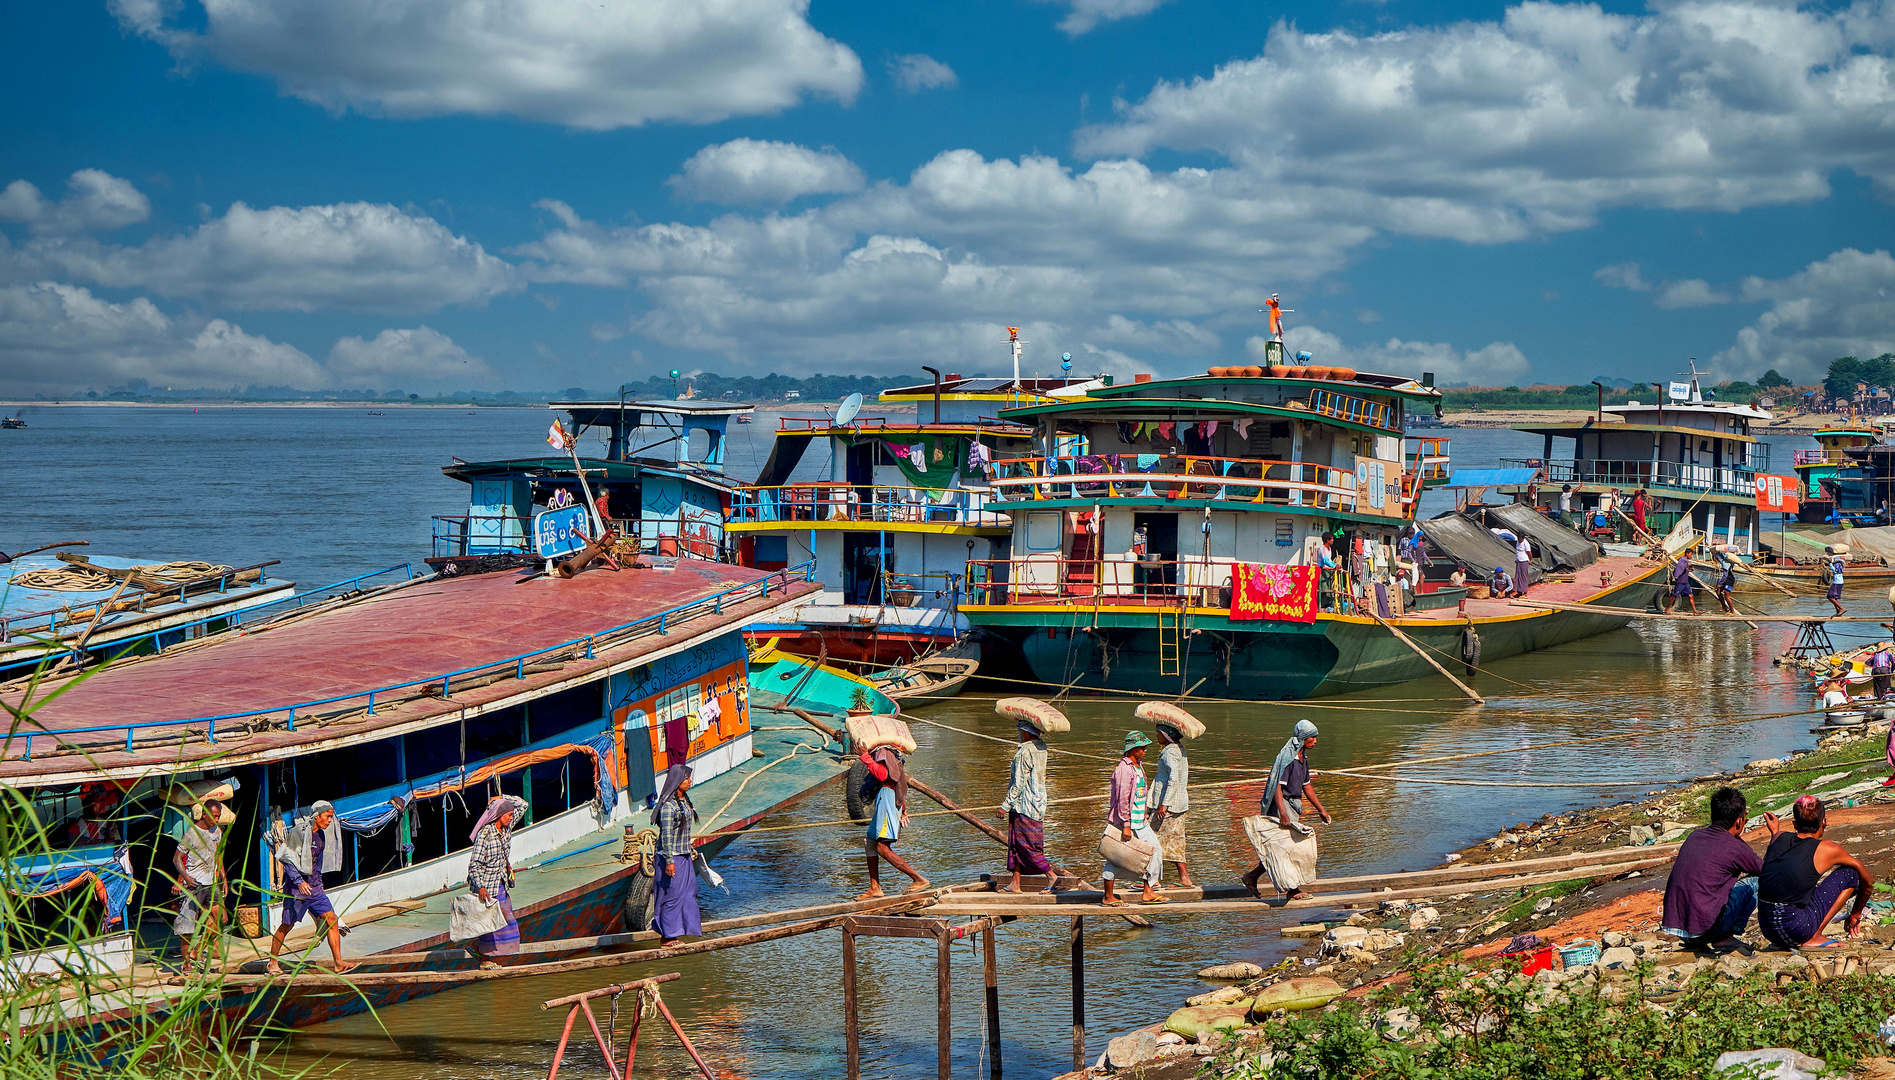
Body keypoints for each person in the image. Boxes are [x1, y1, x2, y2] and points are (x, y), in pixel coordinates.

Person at [1661, 787, 1776, 955]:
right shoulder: (1735, 847)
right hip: (1707, 930)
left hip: (1679, 929)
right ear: (1739, 821)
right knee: (1757, 881)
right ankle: (1726, 935)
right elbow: (1766, 870)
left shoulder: (1694, 835)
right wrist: (1774, 835)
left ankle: (1720, 935)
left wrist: (1736, 834)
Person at [1757, 795, 1874, 949]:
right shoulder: (1827, 849)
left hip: (1768, 929)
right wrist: (1856, 913)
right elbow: (1869, 881)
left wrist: (1775, 831)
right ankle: (1814, 936)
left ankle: (1809, 932)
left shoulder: (1778, 837)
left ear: (1794, 824)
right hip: (1796, 929)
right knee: (1850, 873)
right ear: (1824, 822)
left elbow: (1780, 861)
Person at [1243, 720, 1331, 901]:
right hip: (1282, 804)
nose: (1315, 741)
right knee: (1286, 847)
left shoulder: (1302, 758)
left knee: (1282, 848)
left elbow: (1307, 786)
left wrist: (1321, 810)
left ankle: (1252, 876)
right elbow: (1276, 787)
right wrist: (1282, 812)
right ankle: (1292, 889)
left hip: (1293, 806)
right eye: (1312, 737)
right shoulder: (1288, 758)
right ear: (1303, 738)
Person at [267, 800, 355, 975]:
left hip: (315, 888)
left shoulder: (321, 836)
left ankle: (338, 963)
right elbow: (287, 859)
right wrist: (299, 881)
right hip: (297, 890)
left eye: (331, 817)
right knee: (287, 924)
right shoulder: (299, 832)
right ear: (317, 815)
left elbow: (317, 865)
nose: (329, 821)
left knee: (332, 919)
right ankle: (272, 962)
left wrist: (318, 884)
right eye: (327, 816)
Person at [1101, 731, 1166, 907]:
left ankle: (1148, 890)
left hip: (1140, 821)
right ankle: (1108, 895)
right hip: (1126, 822)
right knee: (1116, 858)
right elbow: (1122, 799)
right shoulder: (1124, 769)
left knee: (1155, 851)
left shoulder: (1138, 766)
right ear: (1132, 748)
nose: (1145, 750)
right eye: (1142, 747)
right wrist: (1126, 825)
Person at [858, 743, 928, 898]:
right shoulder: (892, 753)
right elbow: (898, 781)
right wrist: (902, 809)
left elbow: (884, 776)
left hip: (887, 799)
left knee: (882, 847)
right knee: (870, 841)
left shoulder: (884, 752)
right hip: (887, 797)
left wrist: (865, 757)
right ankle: (874, 887)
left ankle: (918, 879)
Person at [466, 794, 528, 968]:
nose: (511, 817)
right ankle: (485, 959)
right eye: (508, 815)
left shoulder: (507, 828)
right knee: (489, 923)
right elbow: (474, 864)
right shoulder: (485, 833)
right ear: (499, 815)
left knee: (506, 920)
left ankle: (481, 951)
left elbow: (523, 805)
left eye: (511, 815)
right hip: (486, 886)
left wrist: (501, 797)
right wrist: (481, 887)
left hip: (501, 883)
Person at [1000, 719, 1055, 893]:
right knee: (1016, 844)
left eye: (1021, 731)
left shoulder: (1024, 752)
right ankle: (1015, 883)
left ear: (1026, 732)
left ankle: (1051, 875)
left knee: (1027, 845)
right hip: (1038, 803)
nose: (1019, 734)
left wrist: (1005, 805)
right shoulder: (1042, 748)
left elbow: (1019, 782)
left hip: (1025, 805)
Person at [173, 800, 229, 972]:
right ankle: (186, 964)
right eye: (213, 816)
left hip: (212, 883)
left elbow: (217, 855)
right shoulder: (191, 833)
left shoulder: (217, 832)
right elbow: (177, 858)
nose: (216, 819)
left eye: (218, 816)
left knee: (222, 919)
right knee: (188, 927)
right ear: (204, 814)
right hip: (195, 884)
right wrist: (186, 877)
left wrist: (223, 877)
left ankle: (197, 951)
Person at [651, 766, 701, 947]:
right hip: (670, 857)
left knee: (688, 893)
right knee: (671, 896)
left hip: (684, 855)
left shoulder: (684, 801)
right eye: (686, 778)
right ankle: (667, 936)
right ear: (677, 781)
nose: (689, 781)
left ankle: (682, 930)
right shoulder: (668, 807)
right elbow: (666, 836)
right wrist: (669, 862)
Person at [1147, 722, 1193, 889]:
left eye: (1159, 733)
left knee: (1151, 839)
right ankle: (1184, 878)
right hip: (1178, 804)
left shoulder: (1169, 753)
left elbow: (1172, 780)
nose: (1157, 736)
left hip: (1169, 805)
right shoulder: (1179, 750)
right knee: (1174, 841)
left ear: (1166, 736)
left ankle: (1153, 879)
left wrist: (1163, 805)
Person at [1827, 552, 1848, 617]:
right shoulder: (1840, 564)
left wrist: (1830, 564)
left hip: (1836, 582)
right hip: (1839, 582)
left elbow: (1835, 571)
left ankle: (1841, 608)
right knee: (1834, 597)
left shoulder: (1837, 564)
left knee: (1830, 596)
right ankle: (1838, 612)